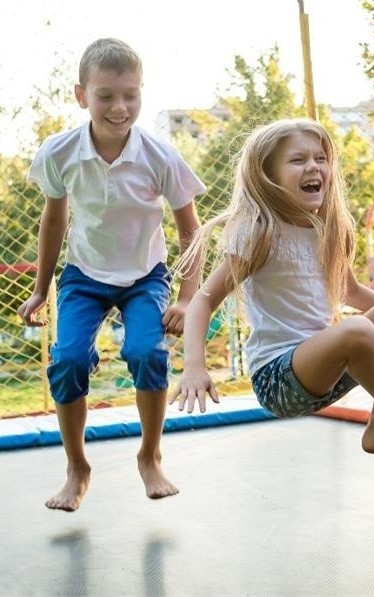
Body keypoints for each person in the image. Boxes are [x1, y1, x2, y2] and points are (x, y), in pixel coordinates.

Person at [169, 118, 374, 457]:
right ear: (269, 175)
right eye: (298, 160)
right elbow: (203, 301)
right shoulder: (257, 231)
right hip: (278, 378)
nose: (313, 167)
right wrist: (194, 365)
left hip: (329, 370)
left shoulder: (329, 231)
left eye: (320, 158)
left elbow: (353, 293)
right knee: (357, 330)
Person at [17, 38, 206, 511]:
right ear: (81, 95)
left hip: (145, 274)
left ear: (141, 93)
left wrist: (186, 297)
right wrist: (42, 289)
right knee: (68, 362)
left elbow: (192, 232)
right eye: (106, 96)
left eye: (131, 94)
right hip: (84, 274)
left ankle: (150, 455)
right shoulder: (60, 153)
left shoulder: (160, 156)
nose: (120, 107)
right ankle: (77, 468)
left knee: (147, 352)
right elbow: (54, 219)